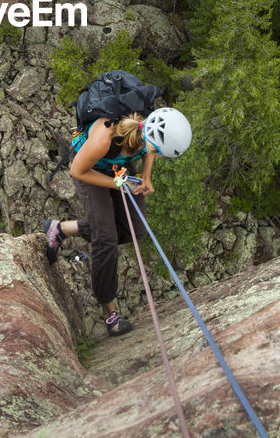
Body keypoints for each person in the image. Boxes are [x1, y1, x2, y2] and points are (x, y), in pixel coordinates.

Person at [43, 107, 191, 337]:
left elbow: (148, 150)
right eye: (160, 154)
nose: (158, 156)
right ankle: (109, 314)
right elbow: (78, 171)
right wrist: (119, 184)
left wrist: (146, 178)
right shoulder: (104, 138)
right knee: (106, 239)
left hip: (118, 167)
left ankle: (61, 228)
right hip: (88, 167)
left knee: (135, 230)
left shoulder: (146, 131)